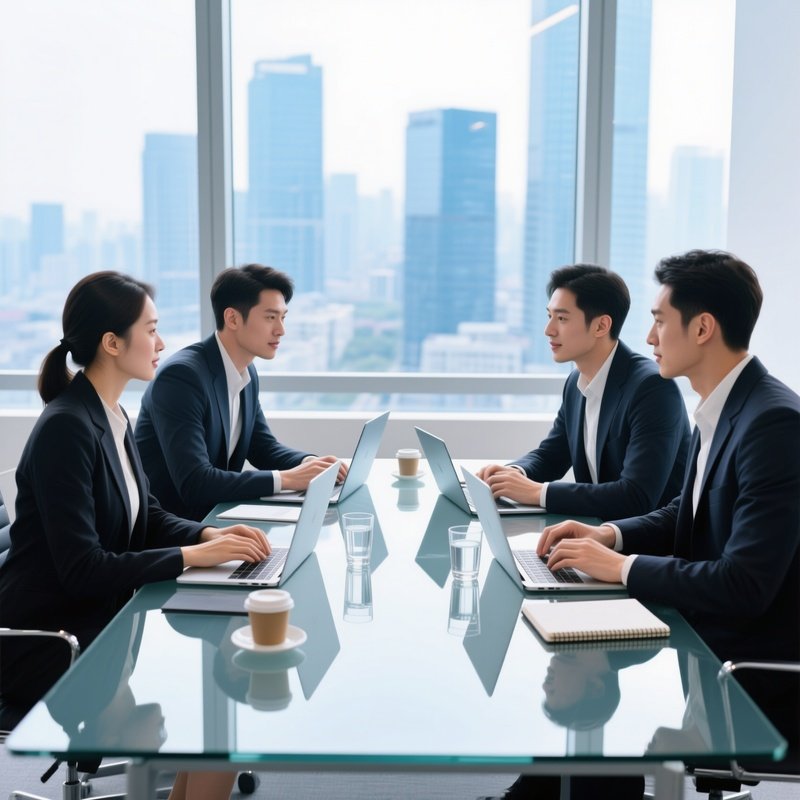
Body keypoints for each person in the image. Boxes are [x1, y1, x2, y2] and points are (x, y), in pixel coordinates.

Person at [504, 249, 800, 799]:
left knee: (585, 707)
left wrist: (622, 566)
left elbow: (745, 585)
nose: (650, 335)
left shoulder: (773, 422)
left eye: (661, 319)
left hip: (744, 675)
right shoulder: (722, 408)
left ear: (704, 327)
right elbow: (681, 514)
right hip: (701, 635)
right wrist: (607, 535)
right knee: (566, 675)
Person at [0, 271, 272, 800]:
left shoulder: (111, 415)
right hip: (51, 642)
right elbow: (83, 568)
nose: (162, 343)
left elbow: (143, 515)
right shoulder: (66, 428)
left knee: (219, 707)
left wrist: (209, 533)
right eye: (151, 329)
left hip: (99, 619)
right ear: (111, 343)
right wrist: (194, 554)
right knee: (218, 705)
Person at [478, 264, 690, 520]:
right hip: (595, 532)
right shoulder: (576, 382)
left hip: (649, 548)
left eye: (562, 318)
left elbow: (635, 497)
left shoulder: (652, 388)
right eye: (549, 316)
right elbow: (552, 455)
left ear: (601, 326)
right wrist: (512, 474)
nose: (549, 330)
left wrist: (538, 493)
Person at [135, 263, 346, 521]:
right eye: (270, 317)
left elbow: (262, 447)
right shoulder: (181, 378)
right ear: (232, 318)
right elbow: (195, 482)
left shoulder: (246, 371)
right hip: (175, 530)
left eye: (283, 317)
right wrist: (287, 479)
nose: (281, 329)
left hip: (216, 519)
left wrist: (311, 464)